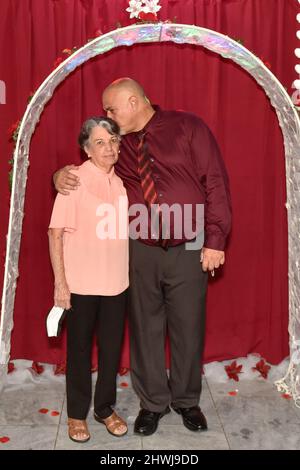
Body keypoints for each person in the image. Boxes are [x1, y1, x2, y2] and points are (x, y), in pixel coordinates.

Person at [53, 78, 232, 436]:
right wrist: (59, 175)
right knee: (145, 329)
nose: (107, 115)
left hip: (190, 245)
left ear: (133, 102)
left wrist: (216, 238)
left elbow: (214, 180)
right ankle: (152, 403)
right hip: (139, 250)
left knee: (188, 326)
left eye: (111, 108)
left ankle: (187, 401)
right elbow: (88, 170)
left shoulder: (188, 127)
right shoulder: (118, 147)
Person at [48, 116, 129, 442]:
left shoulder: (121, 183)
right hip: (80, 284)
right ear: (86, 148)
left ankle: (104, 408)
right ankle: (77, 415)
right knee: (79, 351)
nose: (109, 148)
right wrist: (60, 283)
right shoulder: (73, 181)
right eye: (100, 142)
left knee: (111, 351)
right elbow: (55, 234)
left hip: (116, 285)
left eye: (113, 141)